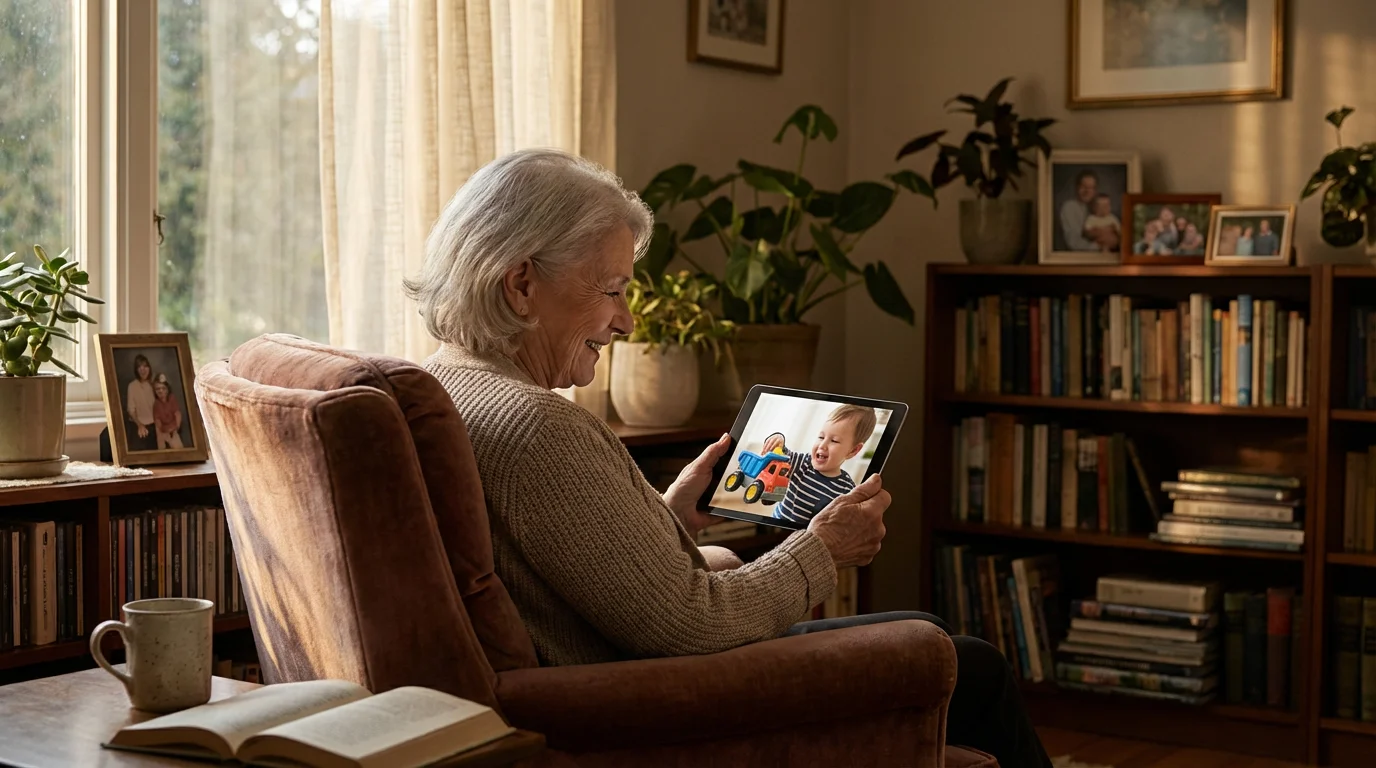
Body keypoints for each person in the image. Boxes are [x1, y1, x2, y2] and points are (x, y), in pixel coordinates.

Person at [405, 148, 1053, 768]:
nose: (627, 322)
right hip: (658, 708)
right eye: (612, 291)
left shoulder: (440, 387)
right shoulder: (536, 426)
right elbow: (688, 624)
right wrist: (825, 549)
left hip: (617, 681)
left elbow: (549, 566)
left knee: (928, 631)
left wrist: (668, 518)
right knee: (967, 663)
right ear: (522, 284)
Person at [761, 404, 876, 525]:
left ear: (853, 450)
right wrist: (778, 439)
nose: (822, 445)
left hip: (807, 540)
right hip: (775, 528)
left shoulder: (846, 490)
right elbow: (781, 454)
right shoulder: (803, 463)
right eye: (821, 437)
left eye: (834, 440)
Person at [1058, 169, 1100, 251]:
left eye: (1091, 188)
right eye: (1083, 187)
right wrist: (1100, 247)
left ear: (1095, 191)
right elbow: (1073, 243)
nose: (1087, 191)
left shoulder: (1095, 208)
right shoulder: (1070, 207)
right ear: (1077, 188)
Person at [125, 354, 158, 451]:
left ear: (149, 368)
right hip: (138, 425)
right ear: (136, 370)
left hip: (155, 426)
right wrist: (140, 425)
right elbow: (131, 410)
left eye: (145, 366)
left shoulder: (154, 384)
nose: (142, 369)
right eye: (139, 367)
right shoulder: (132, 386)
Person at [151, 373, 184, 449]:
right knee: (162, 446)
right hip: (162, 430)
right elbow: (157, 420)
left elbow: (177, 413)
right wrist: (163, 431)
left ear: (167, 389)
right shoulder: (156, 404)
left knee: (178, 448)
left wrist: (176, 427)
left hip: (174, 429)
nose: (160, 391)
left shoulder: (172, 398)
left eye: (163, 388)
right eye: (158, 389)